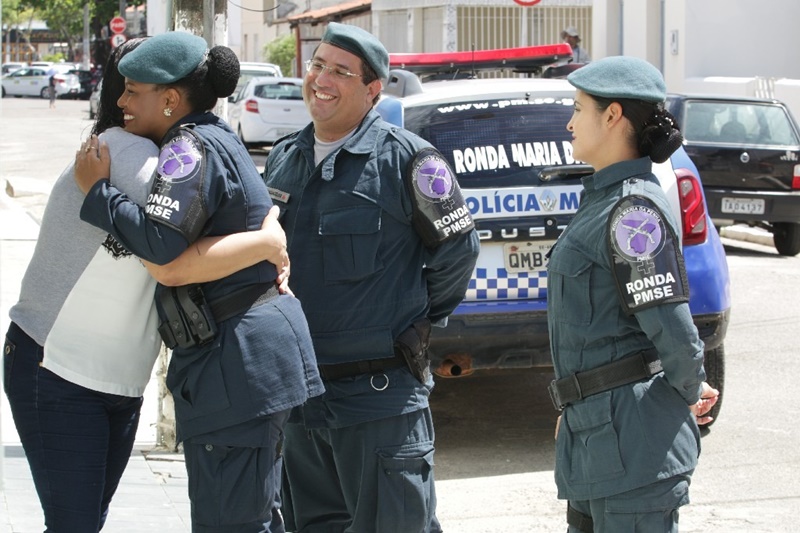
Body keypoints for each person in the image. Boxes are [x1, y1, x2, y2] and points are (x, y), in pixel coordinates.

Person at [73, 31, 324, 532]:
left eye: (131, 90)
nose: (120, 102)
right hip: (246, 360)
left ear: (169, 99)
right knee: (252, 516)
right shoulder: (217, 135)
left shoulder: (188, 146)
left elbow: (161, 246)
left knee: (230, 522)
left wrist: (98, 192)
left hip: (237, 364)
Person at [263, 22, 480, 532]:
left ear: (373, 90)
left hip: (378, 400)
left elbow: (458, 254)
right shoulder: (283, 158)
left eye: (341, 71)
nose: (322, 79)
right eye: (317, 65)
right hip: (302, 404)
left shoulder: (411, 161)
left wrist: (412, 320)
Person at [545, 56, 720, 532]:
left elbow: (672, 328)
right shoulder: (605, 201)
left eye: (579, 108)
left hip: (633, 444)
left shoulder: (632, 210)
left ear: (613, 115)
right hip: (595, 439)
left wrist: (690, 387)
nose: (569, 121)